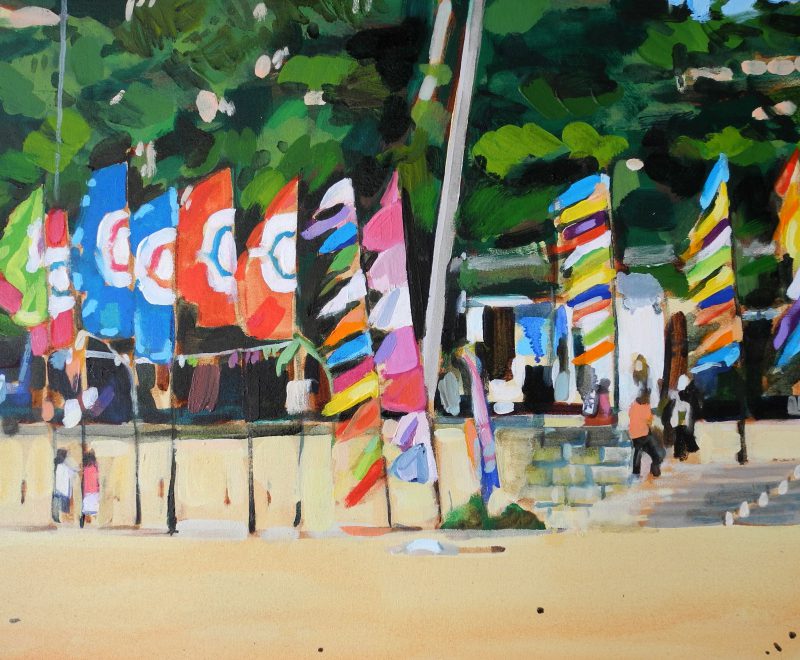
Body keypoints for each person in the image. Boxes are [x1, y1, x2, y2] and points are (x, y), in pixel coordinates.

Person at [628, 391, 663, 477]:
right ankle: (655, 471)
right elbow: (649, 421)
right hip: (644, 435)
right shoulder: (647, 406)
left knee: (638, 451)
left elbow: (630, 415)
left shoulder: (633, 405)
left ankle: (636, 472)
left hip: (634, 435)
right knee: (655, 454)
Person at [672, 377, 700, 460]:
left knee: (681, 433)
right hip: (687, 415)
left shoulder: (681, 393)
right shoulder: (692, 393)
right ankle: (683, 451)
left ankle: (681, 452)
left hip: (682, 415)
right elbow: (696, 406)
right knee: (686, 432)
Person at [52, 448, 77, 524]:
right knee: (63, 504)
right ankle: (61, 518)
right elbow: (72, 474)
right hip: (63, 488)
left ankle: (56, 517)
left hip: (56, 488)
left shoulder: (55, 463)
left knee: (56, 503)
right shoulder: (65, 465)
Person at [81, 450, 100, 527]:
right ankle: (95, 521)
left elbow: (84, 479)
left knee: (86, 506)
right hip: (94, 488)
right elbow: (97, 477)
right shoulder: (95, 466)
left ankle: (83, 521)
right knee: (94, 506)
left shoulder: (85, 467)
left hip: (87, 489)